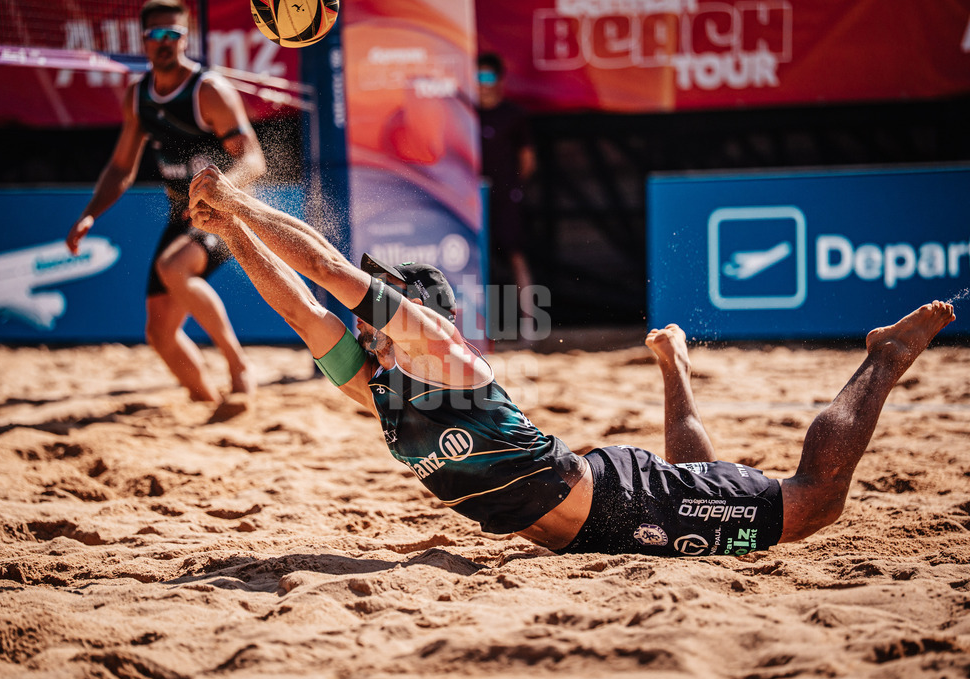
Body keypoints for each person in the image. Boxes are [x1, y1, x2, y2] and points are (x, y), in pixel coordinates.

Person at [187, 163, 956, 557]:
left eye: (379, 304)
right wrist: (225, 228)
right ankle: (675, 364)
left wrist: (240, 203)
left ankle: (884, 357)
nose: (364, 322)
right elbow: (298, 306)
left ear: (413, 309)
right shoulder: (377, 386)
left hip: (616, 499)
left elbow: (323, 272)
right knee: (706, 500)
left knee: (812, 503)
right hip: (587, 532)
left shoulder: (440, 349)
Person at [66, 0, 266, 409]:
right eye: (156, 34)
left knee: (172, 267)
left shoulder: (207, 91)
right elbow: (121, 167)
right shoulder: (139, 97)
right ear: (143, 41)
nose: (164, 42)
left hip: (227, 210)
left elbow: (254, 160)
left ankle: (238, 367)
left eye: (173, 34)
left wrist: (219, 189)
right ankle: (206, 403)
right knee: (159, 333)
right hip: (186, 214)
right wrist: (89, 214)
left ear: (185, 39)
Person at [477, 53, 538, 342]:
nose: (483, 84)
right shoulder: (468, 114)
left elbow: (528, 159)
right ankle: (481, 330)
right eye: (478, 77)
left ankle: (529, 327)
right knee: (476, 260)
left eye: (488, 77)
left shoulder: (513, 115)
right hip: (475, 197)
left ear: (500, 80)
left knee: (516, 257)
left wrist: (512, 186)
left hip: (506, 197)